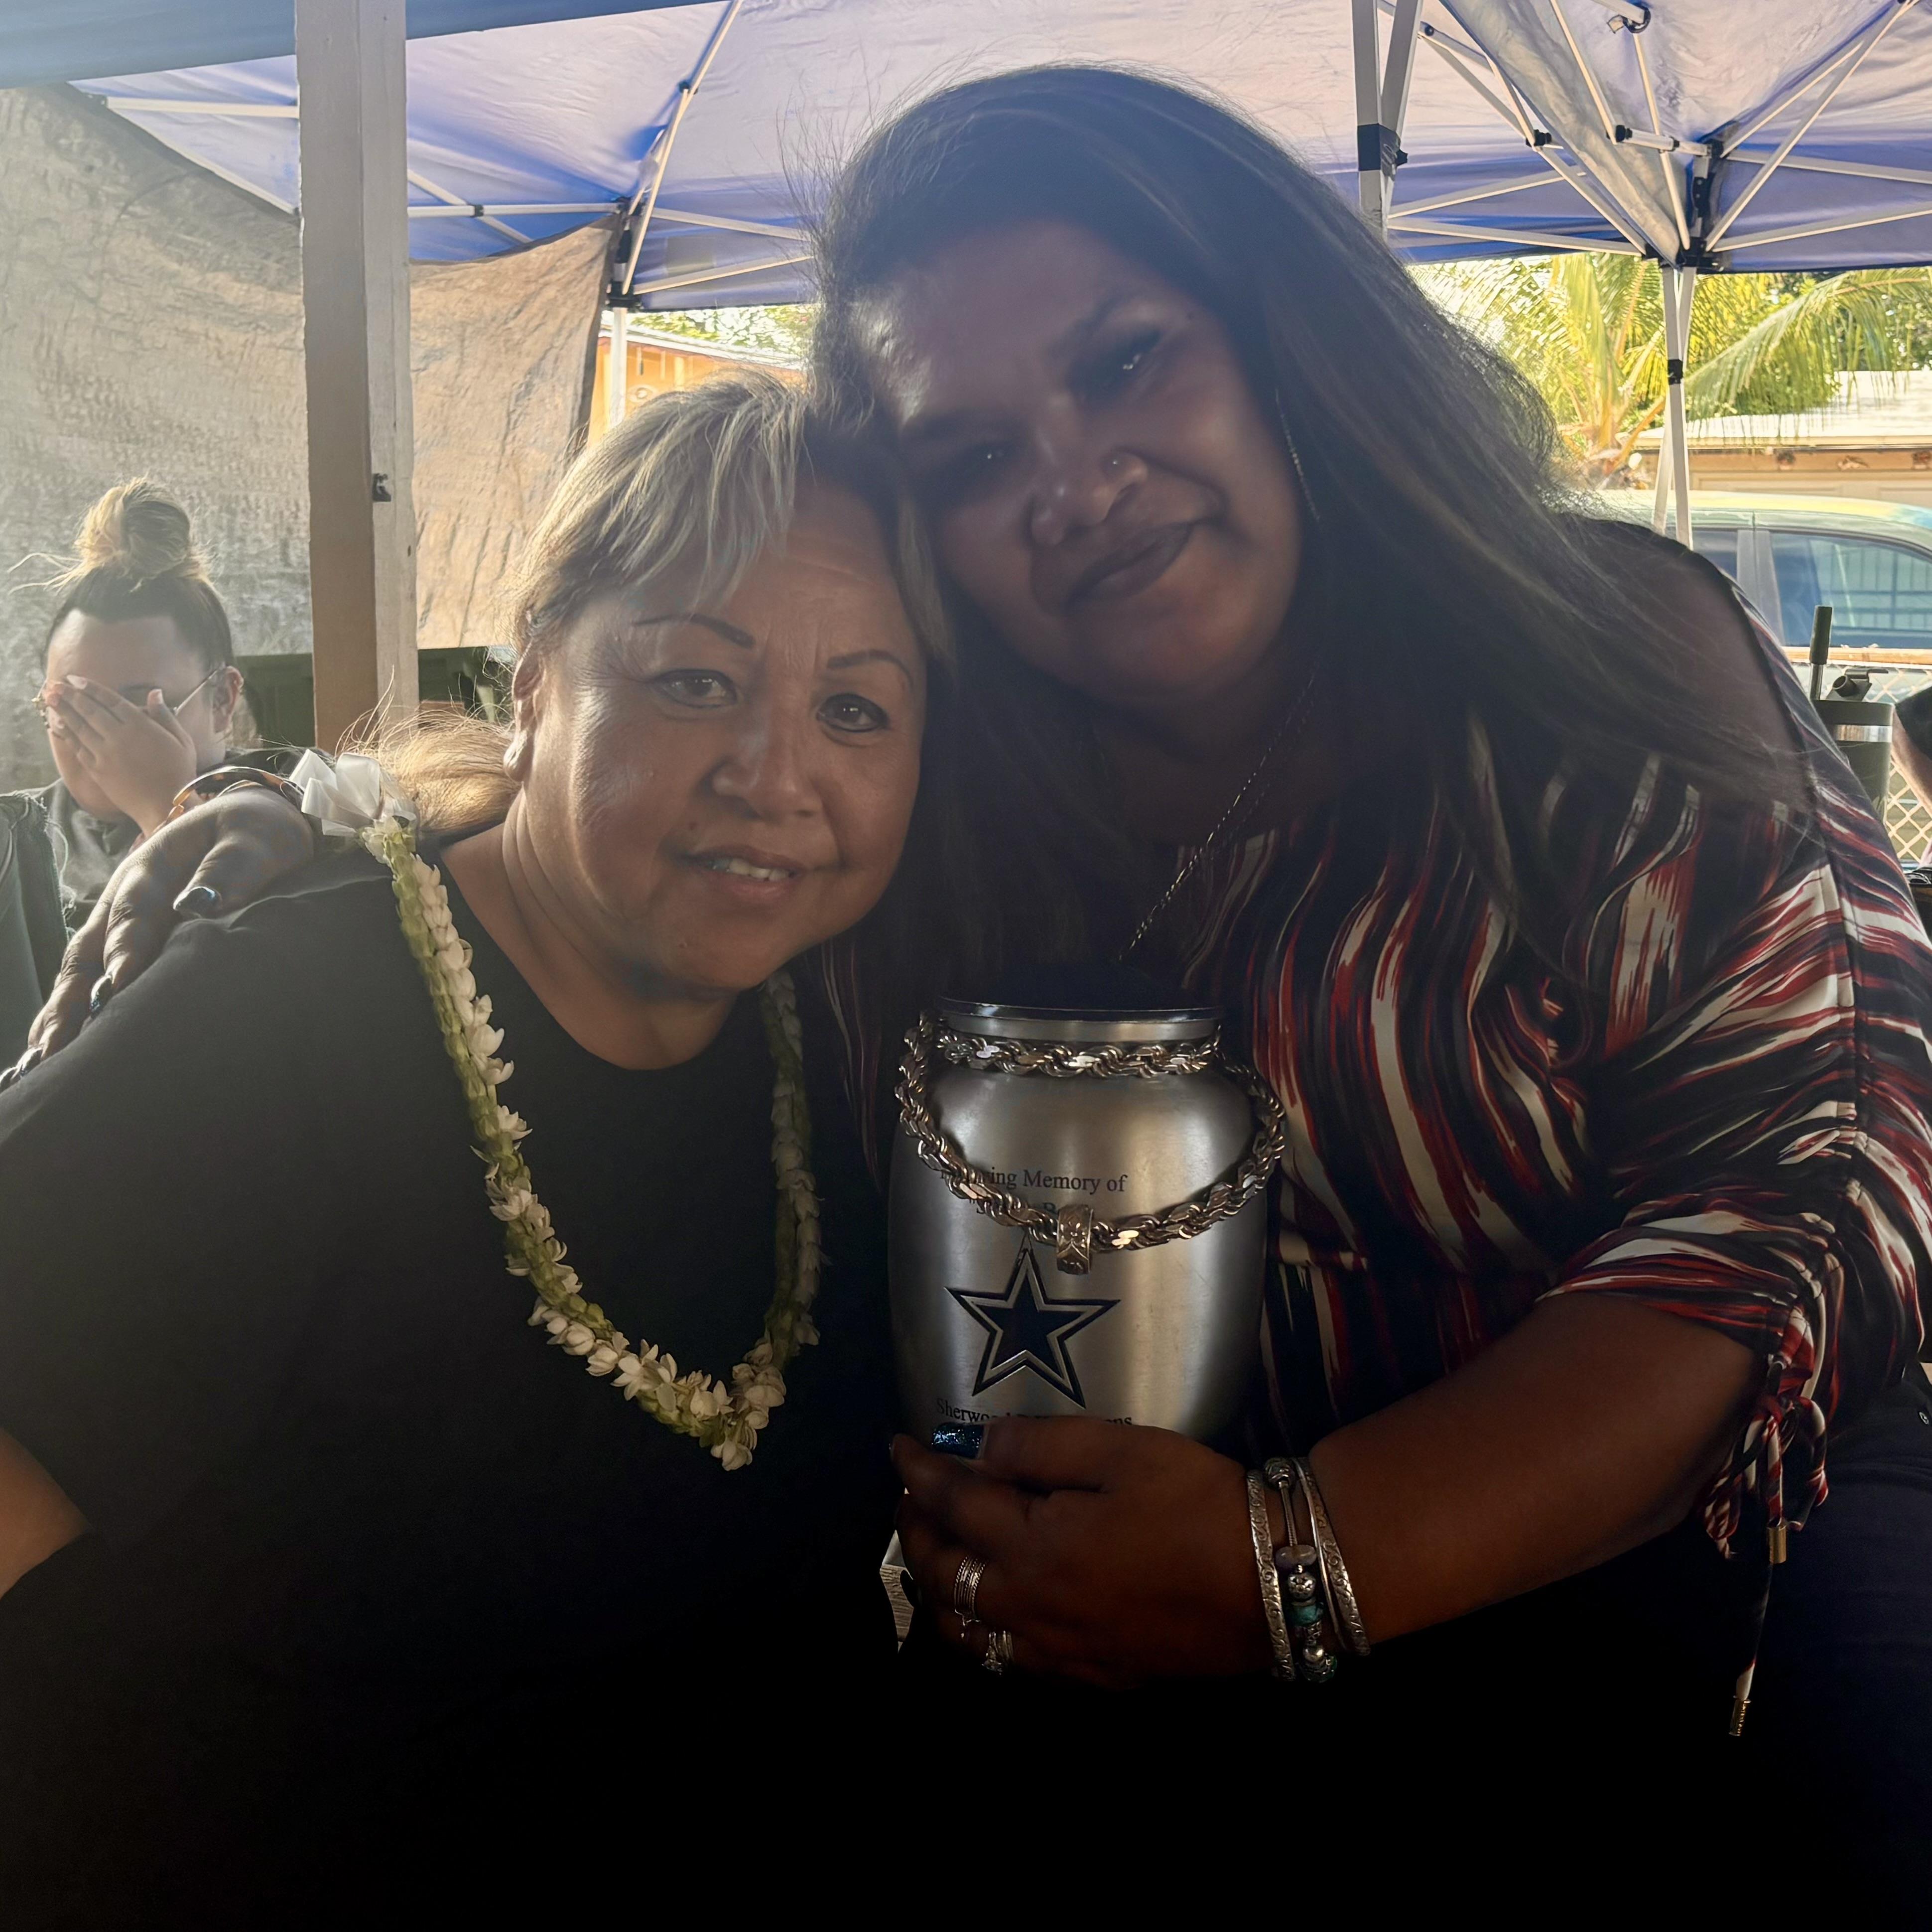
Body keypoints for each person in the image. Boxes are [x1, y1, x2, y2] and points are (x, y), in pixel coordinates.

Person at [26, 67, 1932, 1877]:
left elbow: (1799, 1208)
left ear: (1282, 341)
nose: (1077, 480)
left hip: (1544, 1707)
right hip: (1028, 1748)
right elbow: (642, 805)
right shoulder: (945, 778)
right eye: (970, 452)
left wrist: (1300, 1557)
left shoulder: (1601, 669)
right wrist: (310, 835)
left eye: (1123, 363)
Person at [0, 375, 944, 1918]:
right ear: (535, 681)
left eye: (857, 708)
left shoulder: (837, 1055)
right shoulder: (278, 1022)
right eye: (696, 683)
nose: (778, 776)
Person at [0, 481, 247, 1057]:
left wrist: (169, 812)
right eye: (73, 706)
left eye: (135, 708)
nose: (102, 740)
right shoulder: (18, 838)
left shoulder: (290, 820)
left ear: (222, 701)